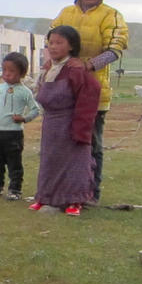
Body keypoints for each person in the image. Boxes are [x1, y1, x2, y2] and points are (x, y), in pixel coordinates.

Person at [50, 0, 128, 202]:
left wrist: (87, 65)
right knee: (61, 142)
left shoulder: (111, 15)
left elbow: (115, 50)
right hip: (63, 89)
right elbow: (51, 40)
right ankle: (63, 190)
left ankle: (90, 192)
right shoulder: (65, 13)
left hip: (94, 90)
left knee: (90, 143)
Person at [30, 26, 101, 216]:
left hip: (71, 124)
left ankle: (74, 201)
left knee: (74, 163)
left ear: (71, 46)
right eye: (50, 43)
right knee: (50, 161)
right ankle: (46, 197)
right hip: (51, 125)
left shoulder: (75, 70)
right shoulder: (49, 69)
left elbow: (90, 94)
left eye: (59, 43)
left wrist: (82, 129)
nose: (53, 47)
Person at [0, 52, 41, 200]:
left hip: (14, 134)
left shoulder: (25, 92)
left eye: (11, 71)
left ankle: (15, 190)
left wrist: (24, 118)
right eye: (4, 70)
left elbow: (36, 110)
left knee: (14, 164)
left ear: (21, 73)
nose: (7, 74)